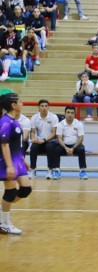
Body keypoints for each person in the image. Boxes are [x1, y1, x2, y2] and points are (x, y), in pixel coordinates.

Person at [0, 92, 32, 235]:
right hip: (7, 161)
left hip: (17, 159)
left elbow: (16, 144)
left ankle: (3, 209)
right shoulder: (5, 122)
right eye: (20, 101)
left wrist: (22, 160)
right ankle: (4, 223)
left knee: (25, 189)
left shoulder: (15, 121)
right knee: (10, 192)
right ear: (14, 105)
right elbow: (4, 145)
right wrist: (10, 166)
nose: (22, 104)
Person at [54, 106, 88, 180]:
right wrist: (66, 148)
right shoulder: (60, 124)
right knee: (56, 149)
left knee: (82, 150)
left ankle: (82, 171)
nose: (70, 114)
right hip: (64, 145)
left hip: (76, 145)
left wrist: (73, 148)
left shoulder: (79, 124)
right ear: (65, 114)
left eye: (72, 113)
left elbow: (81, 138)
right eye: (68, 112)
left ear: (74, 114)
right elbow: (59, 138)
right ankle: (57, 171)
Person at [28, 99, 59, 179]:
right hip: (39, 141)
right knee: (33, 147)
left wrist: (44, 140)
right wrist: (33, 139)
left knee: (50, 147)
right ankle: (33, 170)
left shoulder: (53, 117)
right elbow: (32, 131)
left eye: (46, 106)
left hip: (50, 141)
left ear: (48, 107)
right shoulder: (34, 117)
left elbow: (54, 133)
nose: (44, 108)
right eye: (42, 106)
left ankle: (50, 170)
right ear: (38, 107)